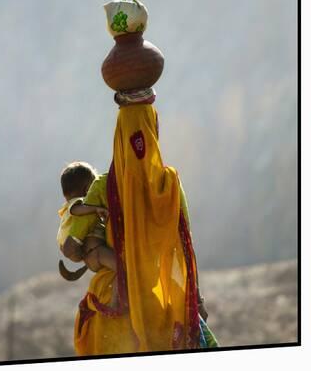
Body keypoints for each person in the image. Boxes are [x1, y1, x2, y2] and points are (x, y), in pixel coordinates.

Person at [62, 102, 218, 355]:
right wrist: (195, 300)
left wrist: (93, 251)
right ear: (155, 131)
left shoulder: (103, 185)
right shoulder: (170, 184)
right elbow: (186, 245)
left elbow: (71, 247)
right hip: (157, 299)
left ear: (118, 136)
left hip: (112, 298)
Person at [57, 161, 120, 308]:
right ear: (87, 189)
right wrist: (96, 208)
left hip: (91, 254)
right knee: (122, 269)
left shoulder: (77, 211)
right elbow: (77, 209)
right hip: (96, 252)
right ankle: (115, 304)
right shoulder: (78, 204)